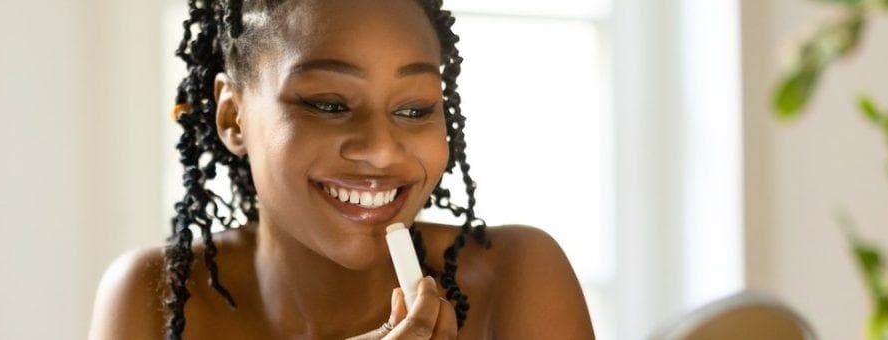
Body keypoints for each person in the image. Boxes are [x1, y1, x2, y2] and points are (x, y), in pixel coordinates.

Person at [89, 0, 593, 338]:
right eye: (328, 104)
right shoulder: (158, 297)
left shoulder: (516, 277)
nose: (379, 149)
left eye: (414, 110)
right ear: (232, 116)